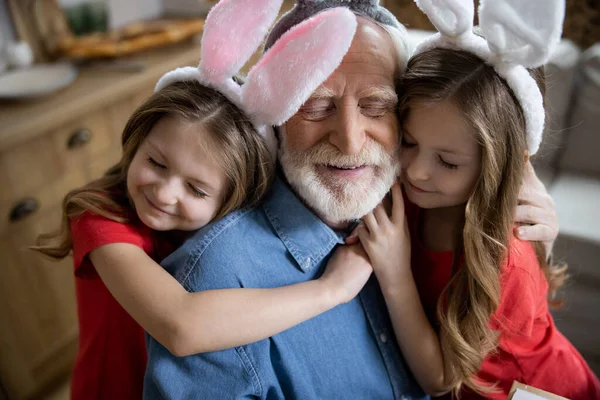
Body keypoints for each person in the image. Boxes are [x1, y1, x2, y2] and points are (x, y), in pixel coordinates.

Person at [143, 1, 561, 399]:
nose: (349, 139)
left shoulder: (414, 196)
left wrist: (520, 195)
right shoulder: (218, 280)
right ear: (272, 112)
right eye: (316, 105)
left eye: (378, 106)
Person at [32, 2, 367, 399]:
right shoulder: (101, 217)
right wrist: (332, 290)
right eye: (156, 162)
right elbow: (180, 326)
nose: (165, 192)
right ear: (137, 139)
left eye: (195, 189)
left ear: (231, 200)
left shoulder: (230, 230)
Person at [356, 0, 600, 399]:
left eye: (448, 162)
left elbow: (440, 380)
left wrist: (395, 271)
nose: (416, 170)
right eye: (410, 142)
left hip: (534, 390)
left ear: (500, 167)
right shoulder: (417, 192)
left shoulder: (508, 257)